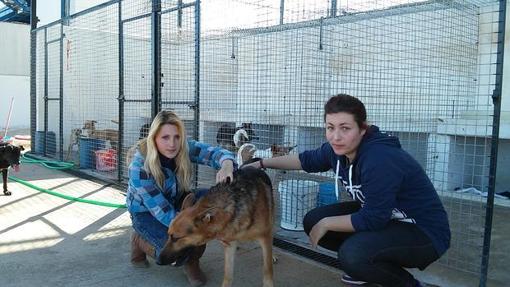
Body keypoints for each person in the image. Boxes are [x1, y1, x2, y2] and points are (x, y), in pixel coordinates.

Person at [243, 94, 450, 287]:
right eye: (330, 127)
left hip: (424, 231)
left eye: (345, 128)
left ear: (362, 129)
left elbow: (373, 218)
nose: (336, 137)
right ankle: (367, 267)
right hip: (389, 217)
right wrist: (261, 163)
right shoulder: (337, 150)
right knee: (313, 220)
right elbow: (304, 160)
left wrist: (328, 223)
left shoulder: (380, 159)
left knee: (352, 254)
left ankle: (404, 282)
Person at [126, 110, 236, 287]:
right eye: (165, 137)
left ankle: (191, 260)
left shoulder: (183, 147)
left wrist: (226, 165)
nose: (172, 144)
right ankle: (139, 240)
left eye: (177, 137)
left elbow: (218, 153)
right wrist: (200, 227)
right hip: (146, 213)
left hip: (176, 201)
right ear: (154, 138)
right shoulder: (140, 167)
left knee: (211, 205)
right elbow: (163, 212)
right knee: (174, 249)